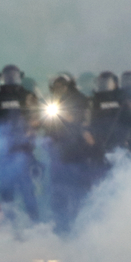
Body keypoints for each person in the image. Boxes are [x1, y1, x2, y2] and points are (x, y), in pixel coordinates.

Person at [0, 64, 40, 221]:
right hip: (5, 151)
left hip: (24, 150)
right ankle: (9, 225)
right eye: (7, 75)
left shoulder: (28, 96)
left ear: (20, 76)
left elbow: (38, 118)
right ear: (1, 77)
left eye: (13, 75)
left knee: (27, 189)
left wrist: (31, 128)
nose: (10, 78)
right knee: (6, 191)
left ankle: (35, 223)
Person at [43, 73, 91, 233]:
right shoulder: (53, 100)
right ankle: (61, 225)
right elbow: (47, 124)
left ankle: (81, 226)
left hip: (77, 152)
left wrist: (61, 112)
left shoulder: (80, 99)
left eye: (62, 85)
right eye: (56, 85)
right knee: (58, 190)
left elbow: (77, 119)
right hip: (58, 152)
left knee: (78, 190)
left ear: (69, 86)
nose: (59, 88)